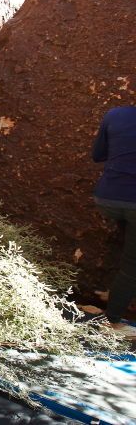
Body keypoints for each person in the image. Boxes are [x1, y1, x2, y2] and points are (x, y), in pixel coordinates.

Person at [92, 105, 136, 339]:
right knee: (132, 265)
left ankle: (119, 293)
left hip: (106, 197)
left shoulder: (115, 115)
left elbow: (98, 154)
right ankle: (113, 322)